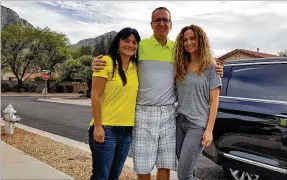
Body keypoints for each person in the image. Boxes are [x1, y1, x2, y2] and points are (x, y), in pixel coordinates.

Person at [92, 7, 224, 180]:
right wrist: (96, 61)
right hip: (143, 113)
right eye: (157, 20)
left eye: (165, 20)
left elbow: (201, 64)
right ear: (152, 24)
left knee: (165, 164)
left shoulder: (177, 50)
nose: (162, 23)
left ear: (170, 24)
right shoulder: (140, 47)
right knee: (143, 165)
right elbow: (122, 55)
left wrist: (217, 67)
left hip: (169, 114)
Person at [88, 27, 140, 180]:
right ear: (118, 42)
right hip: (106, 128)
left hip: (127, 130)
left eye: (134, 42)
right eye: (126, 41)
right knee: (101, 176)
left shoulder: (136, 66)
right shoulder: (106, 62)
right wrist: (98, 126)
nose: (130, 45)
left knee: (114, 176)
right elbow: (95, 95)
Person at [173, 24, 222, 180]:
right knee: (189, 170)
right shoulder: (181, 65)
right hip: (180, 122)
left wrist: (209, 130)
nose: (188, 42)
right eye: (185, 40)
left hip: (197, 125)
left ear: (200, 39)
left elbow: (214, 101)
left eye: (192, 38)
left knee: (183, 174)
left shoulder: (211, 66)